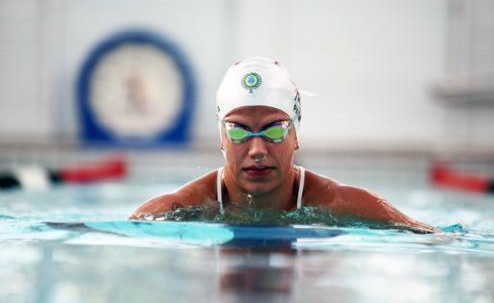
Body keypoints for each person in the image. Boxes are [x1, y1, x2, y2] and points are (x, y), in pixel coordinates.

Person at [130, 56, 438, 233]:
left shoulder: (339, 203)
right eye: (238, 131)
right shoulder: (180, 208)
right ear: (221, 137)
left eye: (274, 130)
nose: (257, 150)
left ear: (296, 135)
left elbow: (432, 239)